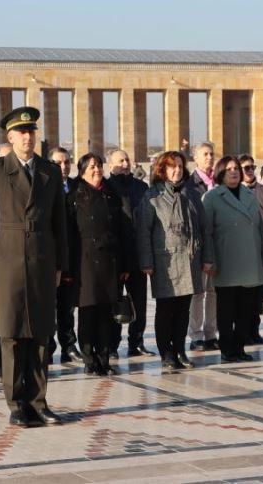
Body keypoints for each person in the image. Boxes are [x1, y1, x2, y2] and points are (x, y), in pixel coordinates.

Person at [0, 106, 67, 427]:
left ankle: (39, 401)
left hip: (42, 260)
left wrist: (60, 264)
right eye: (21, 132)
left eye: (32, 132)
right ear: (10, 137)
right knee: (12, 335)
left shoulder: (49, 172)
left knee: (41, 333)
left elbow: (59, 223)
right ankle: (16, 403)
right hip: (8, 260)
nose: (28, 137)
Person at [138, 151, 212, 371]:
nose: (177, 170)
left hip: (189, 260)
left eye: (180, 166)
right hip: (165, 262)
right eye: (172, 166)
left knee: (183, 310)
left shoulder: (191, 194)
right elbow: (144, 231)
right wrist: (146, 262)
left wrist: (207, 257)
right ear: (162, 169)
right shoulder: (152, 196)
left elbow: (204, 228)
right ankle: (166, 354)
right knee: (166, 309)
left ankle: (180, 350)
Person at [66, 153, 131, 377]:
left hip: (110, 261)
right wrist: (67, 269)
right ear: (82, 170)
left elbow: (122, 231)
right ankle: (88, 359)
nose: (97, 170)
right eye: (92, 166)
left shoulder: (111, 194)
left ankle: (104, 358)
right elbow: (69, 236)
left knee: (106, 315)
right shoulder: (74, 196)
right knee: (87, 314)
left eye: (99, 166)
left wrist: (124, 264)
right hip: (84, 262)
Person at [203, 156, 263, 363]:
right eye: (229, 169)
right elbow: (206, 232)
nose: (234, 172)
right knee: (227, 310)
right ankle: (227, 349)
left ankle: (239, 347)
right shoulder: (212, 197)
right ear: (221, 173)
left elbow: (258, 228)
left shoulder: (249, 194)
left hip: (250, 261)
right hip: (226, 261)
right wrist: (209, 258)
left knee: (246, 310)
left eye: (236, 169)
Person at [106, 148, 155, 358]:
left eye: (127, 160)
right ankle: (112, 344)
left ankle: (136, 342)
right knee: (114, 302)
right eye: (120, 161)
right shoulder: (106, 187)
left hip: (136, 254)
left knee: (139, 302)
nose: (125, 164)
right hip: (116, 257)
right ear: (110, 165)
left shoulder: (141, 187)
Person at [47, 146, 82, 364]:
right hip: (50, 257)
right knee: (49, 306)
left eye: (67, 162)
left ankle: (68, 346)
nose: (64, 166)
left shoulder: (78, 187)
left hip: (71, 255)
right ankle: (48, 347)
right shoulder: (44, 187)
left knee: (67, 307)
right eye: (59, 162)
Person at [239, 154, 263, 345]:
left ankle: (254, 330)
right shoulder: (234, 191)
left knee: (258, 294)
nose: (250, 171)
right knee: (243, 295)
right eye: (246, 168)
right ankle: (243, 331)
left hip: (261, 247)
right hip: (243, 251)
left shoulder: (262, 190)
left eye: (252, 167)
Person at [188, 141, 218, 351]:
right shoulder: (190, 184)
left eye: (211, 154)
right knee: (198, 293)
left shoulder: (220, 182)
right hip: (198, 247)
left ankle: (211, 333)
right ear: (196, 159)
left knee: (214, 292)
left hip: (218, 246)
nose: (209, 157)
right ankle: (196, 334)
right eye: (205, 154)